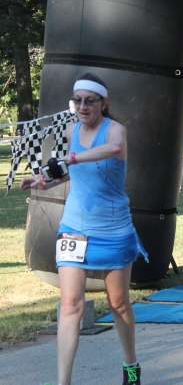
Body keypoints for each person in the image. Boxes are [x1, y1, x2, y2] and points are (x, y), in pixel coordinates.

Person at [21, 73, 146, 385]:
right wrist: (43, 180)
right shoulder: (73, 130)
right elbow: (72, 173)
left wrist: (70, 158)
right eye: (77, 100)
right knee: (70, 304)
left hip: (113, 230)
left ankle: (131, 365)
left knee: (118, 304)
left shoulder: (115, 130)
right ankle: (63, 382)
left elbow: (112, 150)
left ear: (103, 103)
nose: (82, 106)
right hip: (75, 227)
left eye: (90, 101)